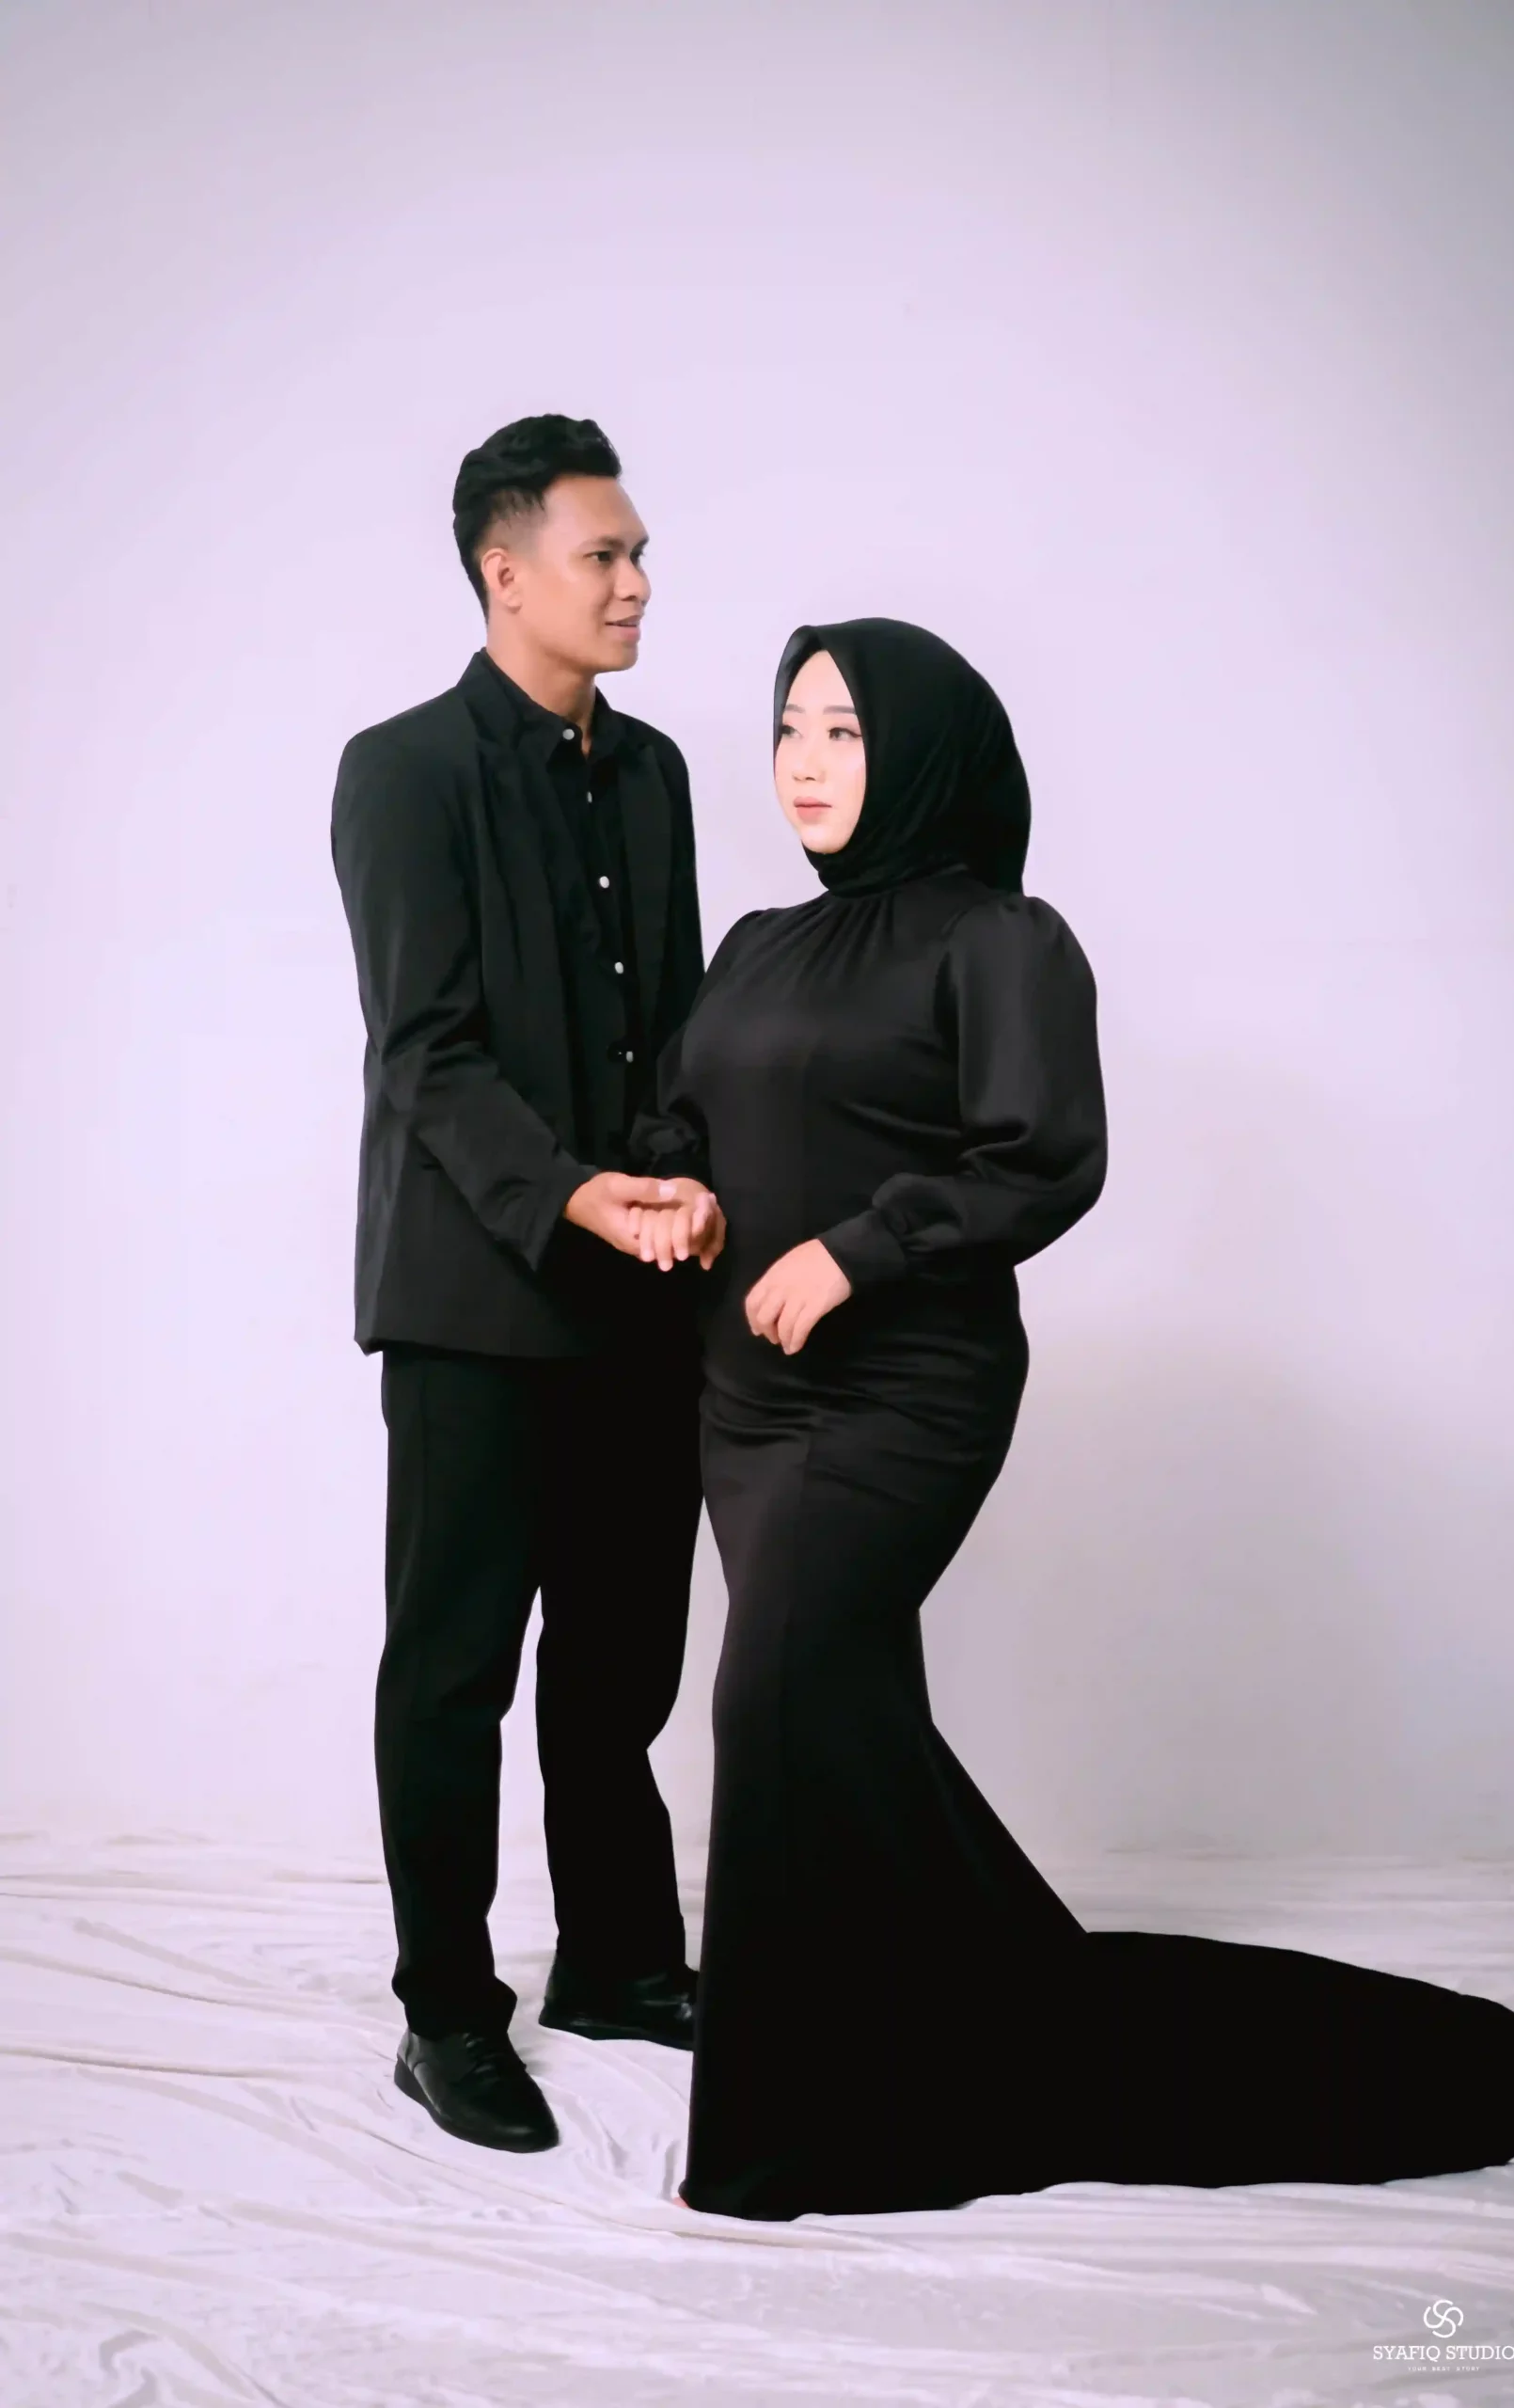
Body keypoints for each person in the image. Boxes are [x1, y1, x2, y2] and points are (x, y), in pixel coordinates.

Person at [630, 616, 1514, 2220]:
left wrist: (859, 1251)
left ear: (923, 756)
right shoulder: (752, 945)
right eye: (789, 727)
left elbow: (1039, 1158)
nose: (803, 762)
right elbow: (685, 1113)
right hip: (744, 1396)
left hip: (899, 1389)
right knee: (836, 1706)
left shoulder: (1001, 939)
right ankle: (935, 2014)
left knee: (776, 1701)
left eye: (845, 732)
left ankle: (791, 2122)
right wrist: (675, 1189)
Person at [330, 416, 719, 2155]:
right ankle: (444, 2013)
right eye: (603, 556)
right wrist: (573, 1196)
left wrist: (685, 1174)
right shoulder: (401, 771)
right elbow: (423, 1049)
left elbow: (679, 1022)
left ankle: (619, 1960)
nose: (635, 584)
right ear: (506, 573)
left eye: (638, 556)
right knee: (454, 1672)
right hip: (474, 1299)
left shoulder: (656, 774)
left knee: (620, 1661)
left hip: (643, 1291)